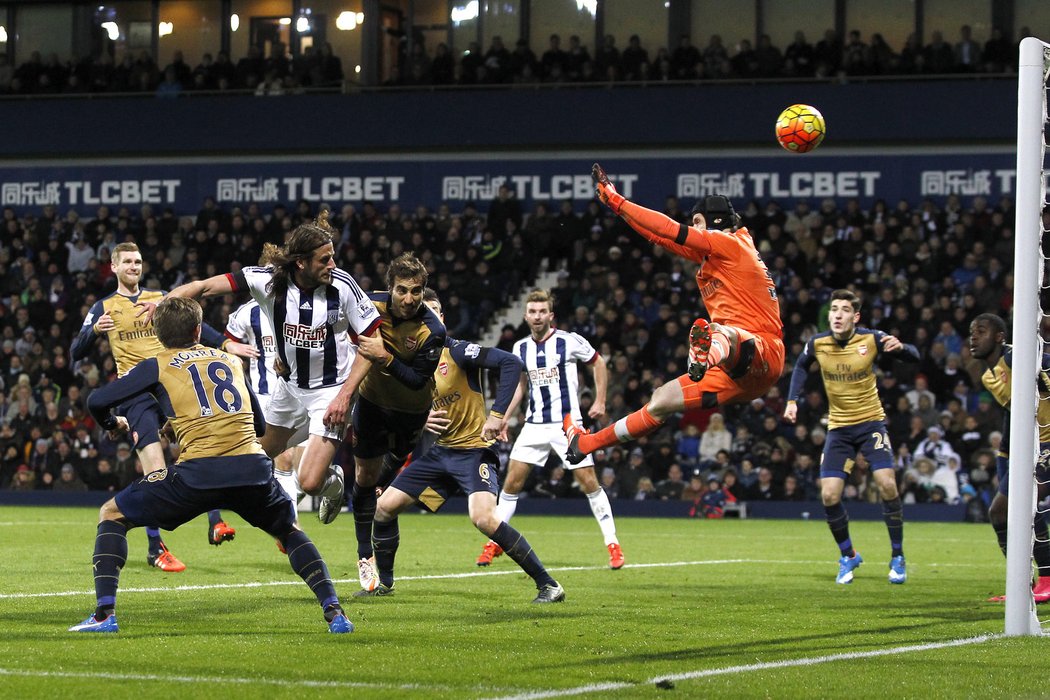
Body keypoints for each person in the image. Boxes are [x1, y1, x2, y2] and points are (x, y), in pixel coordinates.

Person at [69, 297, 352, 633]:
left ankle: (104, 615)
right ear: (199, 330)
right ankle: (334, 612)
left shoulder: (157, 363)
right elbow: (259, 426)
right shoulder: (229, 359)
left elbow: (97, 400)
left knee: (112, 514)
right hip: (252, 470)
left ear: (158, 334)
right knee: (288, 531)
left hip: (198, 474)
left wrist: (112, 424)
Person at [154, 210, 382, 554]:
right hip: (288, 389)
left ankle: (332, 484)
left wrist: (345, 396)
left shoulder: (343, 287)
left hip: (331, 391)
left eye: (333, 256)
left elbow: (374, 345)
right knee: (255, 457)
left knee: (308, 480)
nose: (333, 263)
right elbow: (202, 287)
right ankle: (278, 521)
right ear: (302, 263)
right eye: (325, 258)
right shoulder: (266, 281)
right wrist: (163, 302)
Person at [565, 166, 785, 492]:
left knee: (723, 332)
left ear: (717, 221)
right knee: (661, 400)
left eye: (697, 222)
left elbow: (670, 227)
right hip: (738, 375)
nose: (694, 229)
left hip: (761, 350)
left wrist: (618, 198)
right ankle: (588, 444)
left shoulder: (730, 243)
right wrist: (615, 207)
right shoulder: (720, 253)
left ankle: (706, 353)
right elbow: (658, 236)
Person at [364, 290, 564, 602]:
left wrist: (497, 416)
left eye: (432, 312)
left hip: (473, 452)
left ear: (441, 319)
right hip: (441, 455)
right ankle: (384, 584)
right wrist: (423, 417)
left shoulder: (457, 351)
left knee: (483, 518)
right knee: (384, 508)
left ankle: (549, 585)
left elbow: (511, 363)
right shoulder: (412, 363)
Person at [71, 241, 254, 572]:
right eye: (127, 261)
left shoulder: (161, 299)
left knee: (201, 447)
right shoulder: (104, 307)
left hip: (172, 383)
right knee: (155, 467)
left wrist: (228, 343)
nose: (134, 267)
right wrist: (94, 332)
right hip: (136, 392)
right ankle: (156, 548)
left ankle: (215, 520)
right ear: (113, 267)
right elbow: (75, 351)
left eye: (138, 261)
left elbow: (198, 325)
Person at [476, 288, 624, 570]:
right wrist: (504, 416)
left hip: (567, 426)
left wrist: (601, 400)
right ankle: (494, 542)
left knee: (589, 482)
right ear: (525, 316)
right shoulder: (520, 348)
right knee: (512, 484)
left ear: (551, 315)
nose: (537, 316)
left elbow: (599, 362)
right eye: (532, 311)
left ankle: (613, 545)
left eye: (542, 311)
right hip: (533, 425)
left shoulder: (568, 341)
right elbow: (520, 387)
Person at [784, 289, 919, 584]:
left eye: (844, 310)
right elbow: (800, 367)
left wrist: (902, 348)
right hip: (839, 429)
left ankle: (897, 556)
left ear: (855, 317)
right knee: (829, 494)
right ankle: (848, 555)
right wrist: (792, 400)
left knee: (887, 484)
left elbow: (914, 357)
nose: (838, 315)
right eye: (834, 309)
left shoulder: (871, 339)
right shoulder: (818, 343)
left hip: (871, 424)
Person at [351, 252, 446, 591]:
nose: (409, 299)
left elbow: (418, 380)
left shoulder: (433, 330)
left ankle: (403, 509)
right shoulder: (365, 305)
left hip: (411, 413)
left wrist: (385, 357)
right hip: (372, 403)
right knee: (364, 478)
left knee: (385, 481)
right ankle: (365, 558)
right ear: (389, 288)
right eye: (402, 290)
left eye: (417, 291)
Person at [223, 245, 307, 539]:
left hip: (300, 391)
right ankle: (290, 529)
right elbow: (226, 342)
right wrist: (234, 347)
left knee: (302, 471)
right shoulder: (246, 313)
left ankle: (293, 507)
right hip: (264, 396)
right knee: (283, 460)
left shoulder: (301, 304)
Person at [968, 313, 1050, 603]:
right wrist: (1006, 450)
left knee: (1026, 503)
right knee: (999, 513)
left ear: (1000, 337)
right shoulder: (988, 375)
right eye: (971, 332)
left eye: (981, 331)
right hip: (1024, 445)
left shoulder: (1018, 358)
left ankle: (1048, 579)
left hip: (1047, 441)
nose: (973, 337)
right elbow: (1012, 412)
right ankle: (1021, 583)